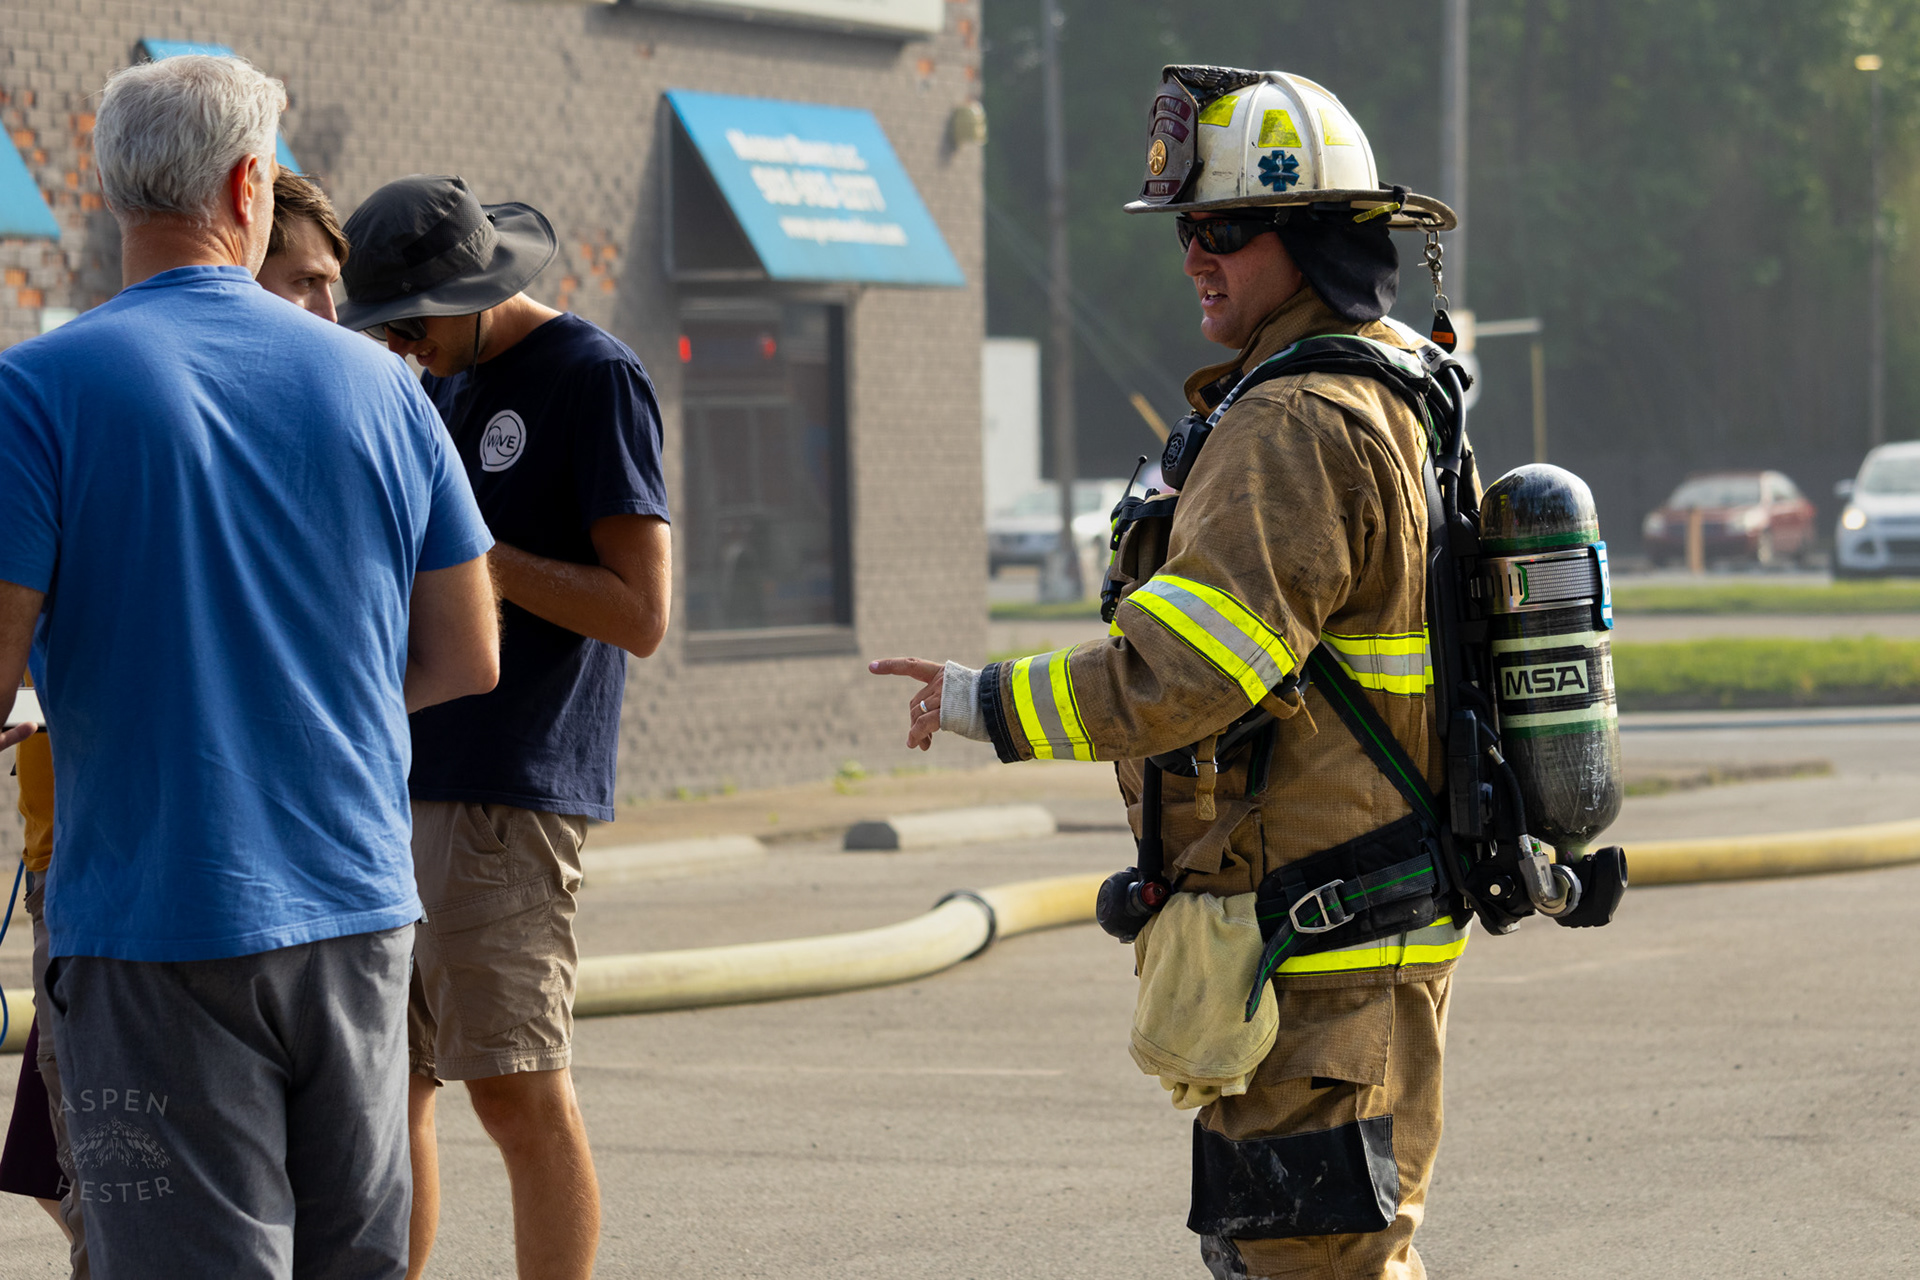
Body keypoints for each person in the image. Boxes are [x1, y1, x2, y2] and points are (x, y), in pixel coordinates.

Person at [873, 66, 1467, 1280]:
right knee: (1358, 1253)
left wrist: (990, 701)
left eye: (1225, 229)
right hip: (1365, 921)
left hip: (1324, 942)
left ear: (1309, 239)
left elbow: (1188, 673)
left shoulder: (1293, 423)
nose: (1196, 256)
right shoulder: (1390, 383)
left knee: (1314, 1265)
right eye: (1188, 230)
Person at [0, 53, 500, 1279]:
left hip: (156, 921)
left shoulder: (37, 390)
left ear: (111, 188)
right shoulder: (389, 389)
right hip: (359, 909)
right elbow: (467, 654)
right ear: (249, 183)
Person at [0, 164, 361, 1273]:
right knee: (114, 1205)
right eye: (298, 278)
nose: (317, 308)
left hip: (258, 894)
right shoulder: (97, 401)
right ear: (246, 214)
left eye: (329, 287)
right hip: (128, 873)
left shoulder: (54, 389)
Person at [338, 174, 670, 1280]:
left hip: (512, 792)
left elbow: (641, 613)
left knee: (518, 1090)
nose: (399, 346)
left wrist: (478, 556)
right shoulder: (440, 384)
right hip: (404, 782)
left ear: (477, 288)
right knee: (393, 1091)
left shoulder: (594, 377)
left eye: (411, 324)